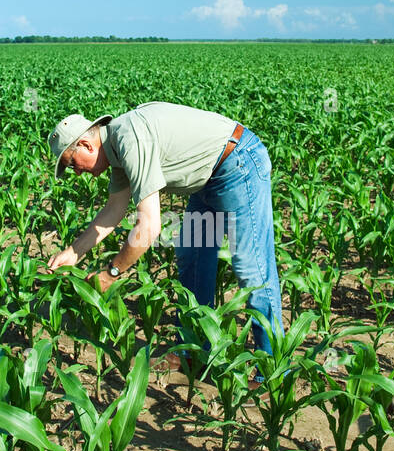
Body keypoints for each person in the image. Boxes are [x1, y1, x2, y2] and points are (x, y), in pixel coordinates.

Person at [46, 101, 284, 359]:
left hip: (237, 164)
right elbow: (114, 209)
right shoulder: (117, 152)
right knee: (193, 259)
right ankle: (192, 351)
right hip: (206, 180)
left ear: (86, 145)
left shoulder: (129, 139)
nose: (77, 173)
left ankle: (272, 371)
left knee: (252, 269)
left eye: (72, 164)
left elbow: (149, 227)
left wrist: (111, 273)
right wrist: (73, 251)